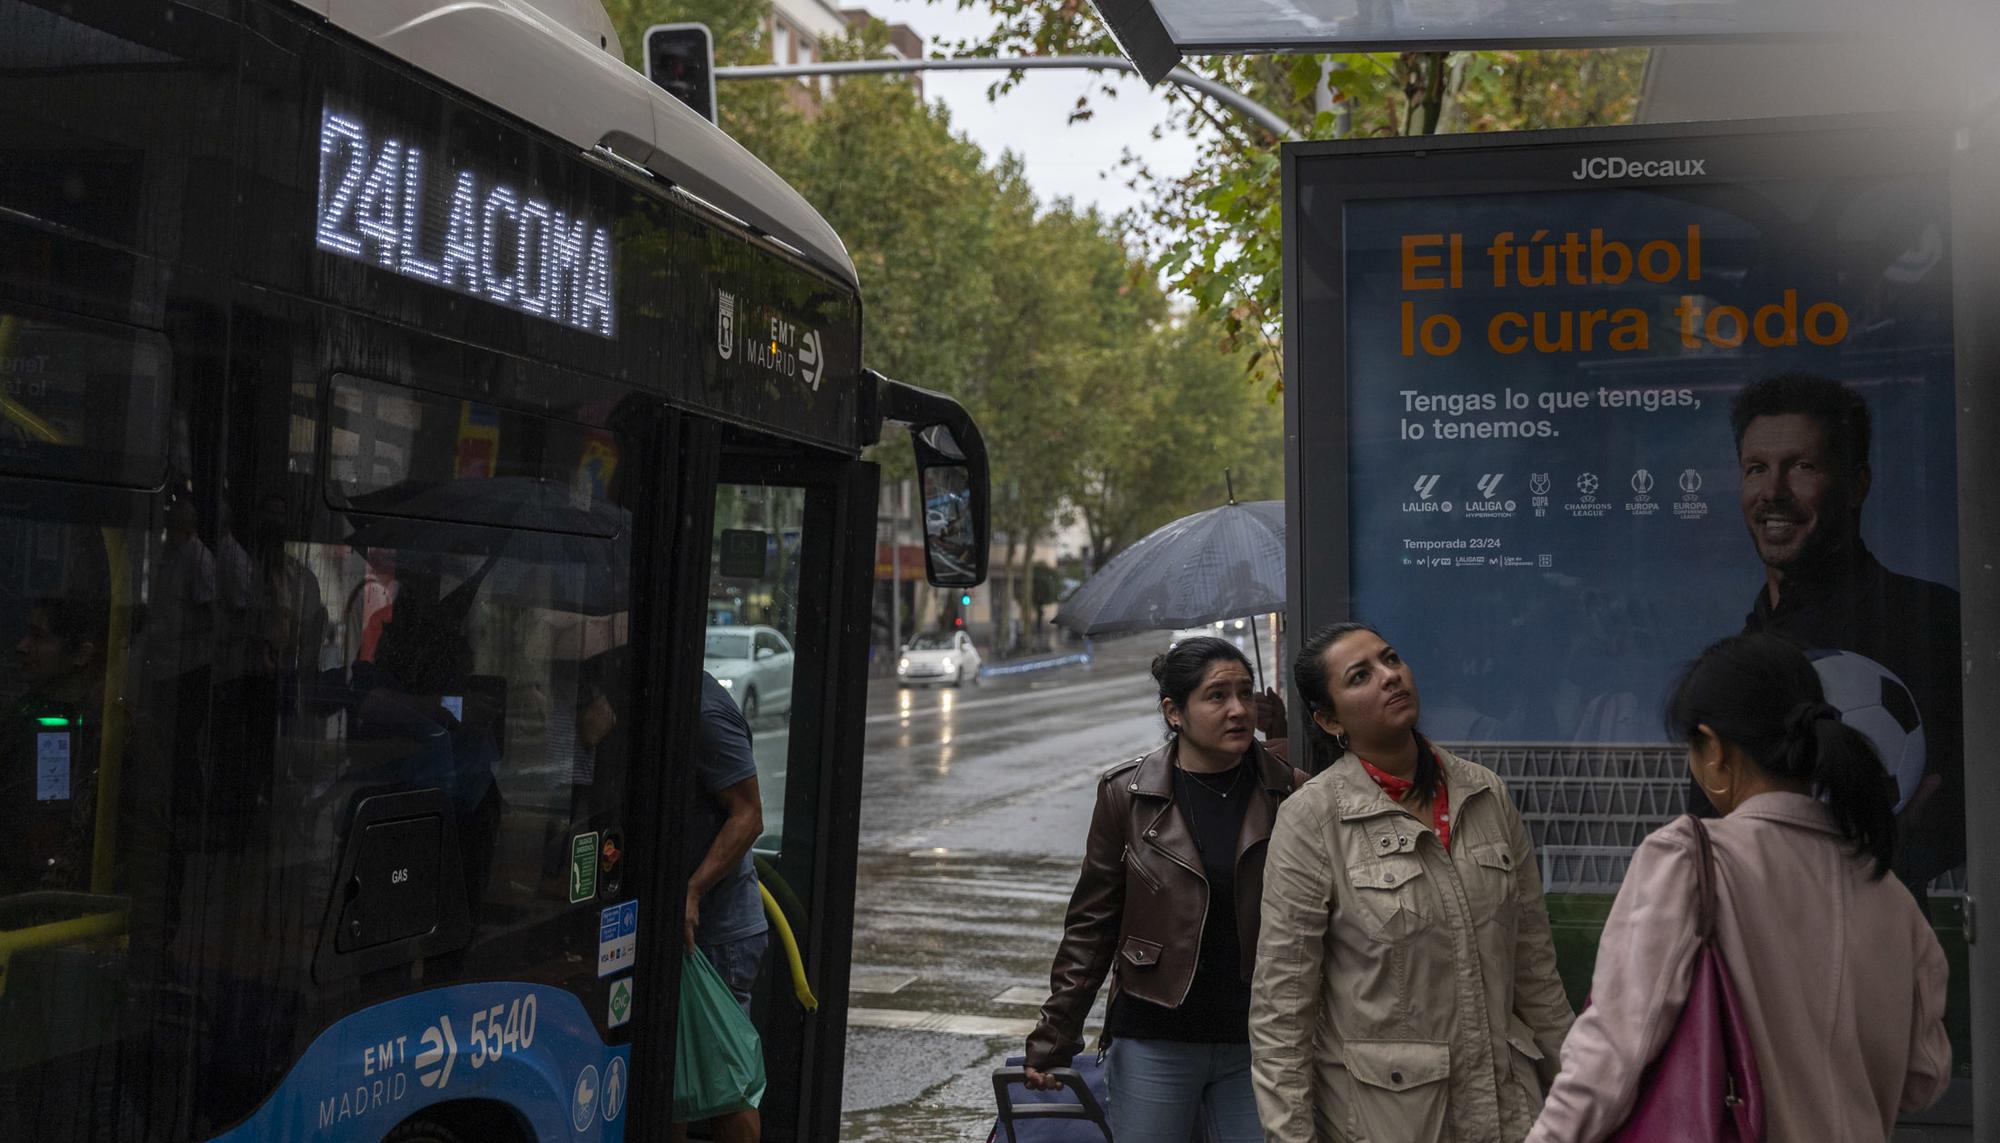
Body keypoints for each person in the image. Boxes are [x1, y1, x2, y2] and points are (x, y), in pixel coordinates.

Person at [1530, 633, 1951, 1142]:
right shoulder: (1892, 896)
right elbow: (1923, 1081)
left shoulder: (1688, 858)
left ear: (1714, 749)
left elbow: (1613, 1050)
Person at [1251, 622, 1572, 1143]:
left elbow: (1535, 972)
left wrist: (1588, 1093)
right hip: (1387, 1124)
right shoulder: (1312, 819)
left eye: (1391, 658)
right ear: (1329, 719)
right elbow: (1282, 1010)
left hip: (1509, 1112)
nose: (1390, 676)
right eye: (1360, 676)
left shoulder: (1484, 794)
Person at [1024, 637, 1301, 1143]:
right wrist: (1055, 1037)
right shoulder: (1126, 797)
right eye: (1217, 696)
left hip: (1260, 1040)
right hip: (1156, 1038)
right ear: (1175, 711)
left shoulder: (1291, 793)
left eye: (1244, 693)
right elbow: (1092, 926)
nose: (1238, 709)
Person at [1723, 372, 1963, 892]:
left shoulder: (1934, 622)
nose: (1773, 492)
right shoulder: (1739, 656)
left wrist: (1880, 851)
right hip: (1759, 951)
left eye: (1802, 466)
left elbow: (1963, 810)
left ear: (1857, 485)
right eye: (1756, 469)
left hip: (1874, 950)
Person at [674, 670, 769, 1143]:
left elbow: (750, 815)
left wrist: (692, 890)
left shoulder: (705, 712)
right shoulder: (661, 702)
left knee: (725, 1083)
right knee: (671, 1080)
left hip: (717, 938)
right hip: (680, 933)